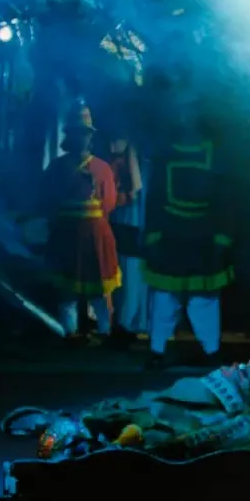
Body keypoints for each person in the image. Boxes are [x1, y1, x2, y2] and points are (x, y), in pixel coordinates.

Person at [0, 342, 250, 461]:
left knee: (170, 449)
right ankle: (73, 423)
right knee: (157, 413)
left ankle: (100, 448)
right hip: (236, 392)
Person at [142, 101, 235, 367]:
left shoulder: (215, 156)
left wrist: (222, 235)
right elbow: (155, 196)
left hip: (203, 236)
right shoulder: (165, 155)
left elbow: (224, 200)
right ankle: (157, 350)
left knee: (204, 300)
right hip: (171, 235)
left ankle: (211, 351)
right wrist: (153, 234)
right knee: (165, 299)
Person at [43, 105, 121, 345]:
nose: (82, 138)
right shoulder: (57, 167)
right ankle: (70, 333)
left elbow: (109, 203)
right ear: (70, 136)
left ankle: (105, 332)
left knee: (99, 289)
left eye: (85, 133)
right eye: (77, 133)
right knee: (67, 290)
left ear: (90, 137)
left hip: (96, 235)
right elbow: (47, 199)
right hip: (66, 233)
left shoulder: (102, 168)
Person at [103, 128, 148, 343]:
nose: (113, 144)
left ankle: (127, 323)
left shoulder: (136, 162)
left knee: (132, 276)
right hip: (123, 224)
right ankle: (126, 322)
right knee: (125, 276)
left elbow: (136, 189)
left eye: (117, 139)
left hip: (133, 225)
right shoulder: (114, 164)